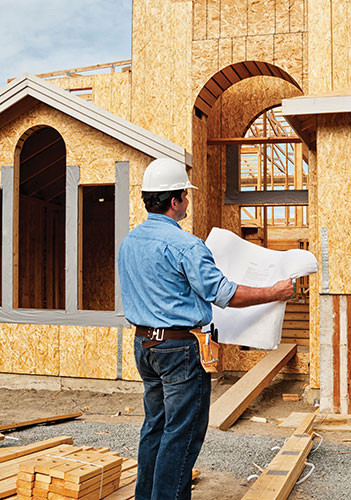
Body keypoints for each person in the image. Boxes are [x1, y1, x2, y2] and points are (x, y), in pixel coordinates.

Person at [117, 158, 293, 500]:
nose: (187, 201)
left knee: (155, 425)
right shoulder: (185, 245)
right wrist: (275, 292)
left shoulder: (130, 243)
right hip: (179, 350)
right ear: (174, 201)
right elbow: (224, 293)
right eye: (185, 195)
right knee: (182, 433)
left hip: (144, 345)